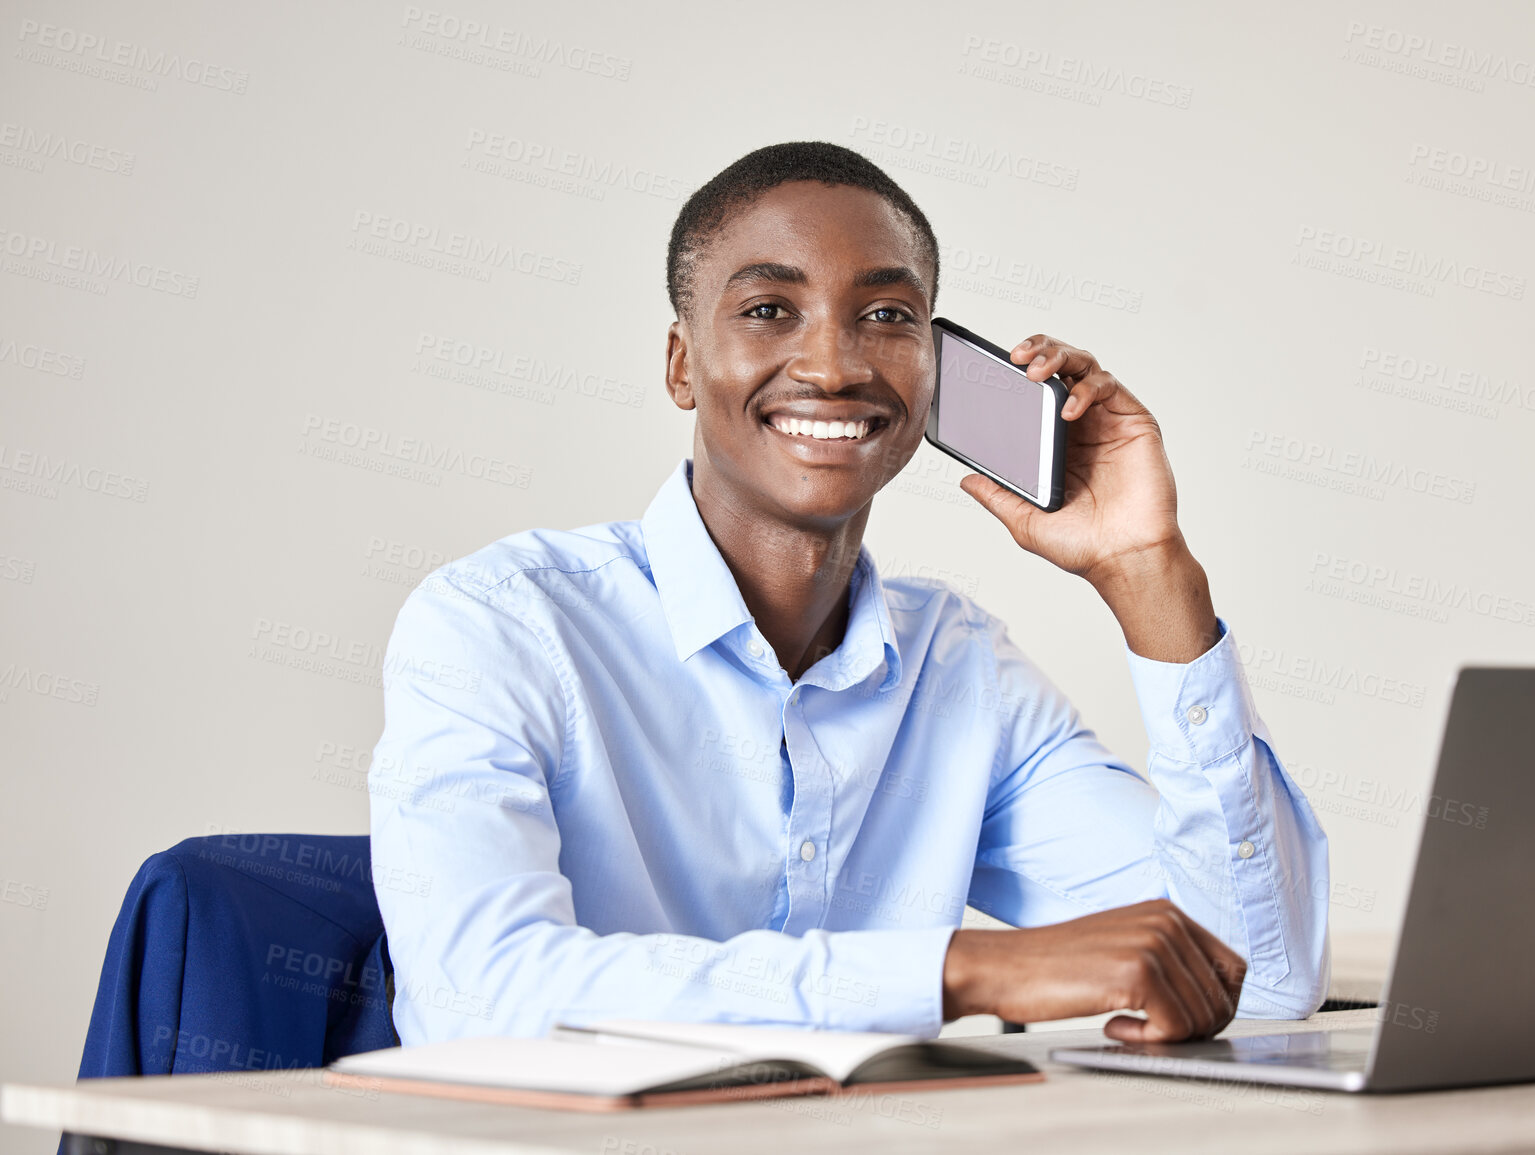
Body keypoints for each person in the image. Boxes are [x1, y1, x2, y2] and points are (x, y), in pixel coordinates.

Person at [369, 141, 1329, 1048]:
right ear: (680, 365)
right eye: (767, 310)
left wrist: (1146, 568)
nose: (833, 366)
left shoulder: (960, 669)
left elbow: (1263, 977)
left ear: (934, 372)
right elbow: (474, 998)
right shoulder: (500, 621)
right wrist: (957, 970)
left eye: (885, 317)